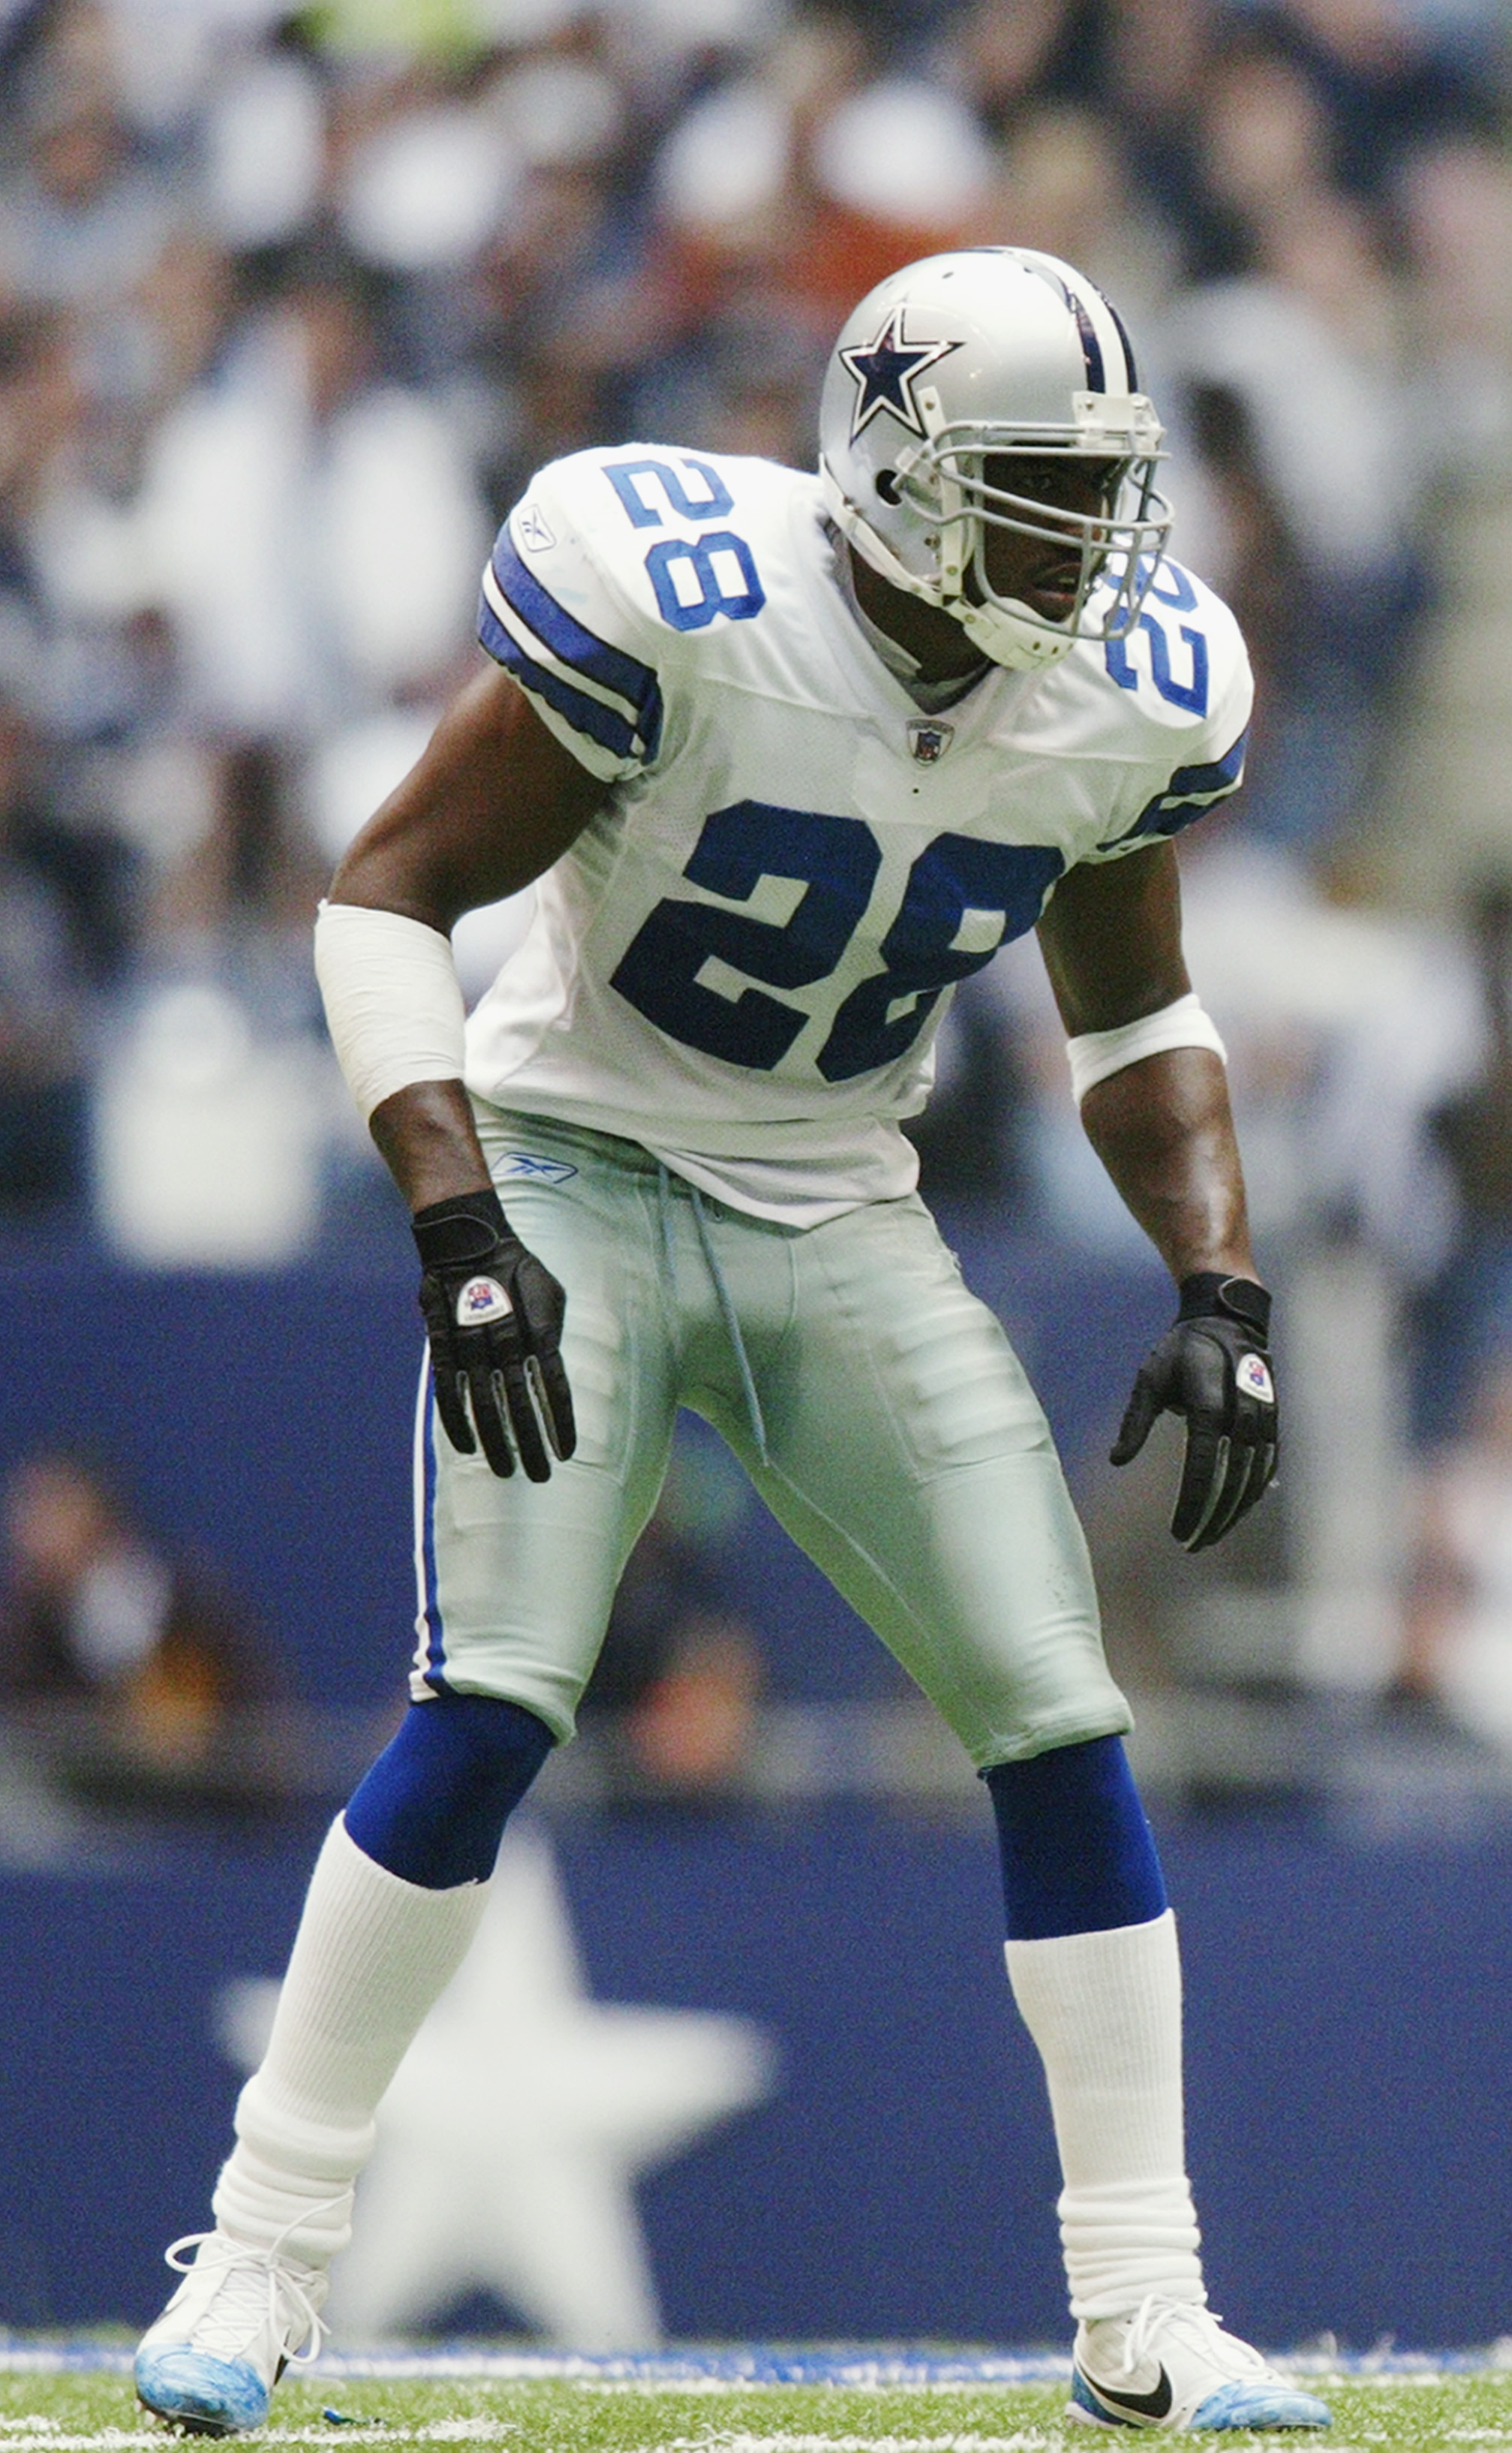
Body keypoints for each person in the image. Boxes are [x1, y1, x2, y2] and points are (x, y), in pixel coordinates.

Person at [134, 248, 1324, 2435]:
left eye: (1105, 486)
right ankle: (267, 2257)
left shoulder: (1122, 682)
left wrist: (1222, 1284)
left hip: (837, 1201)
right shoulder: (680, 588)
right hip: (574, 1163)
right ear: (898, 477)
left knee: (1061, 1710)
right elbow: (381, 891)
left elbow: (1137, 1008)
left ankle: (1145, 2303)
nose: (1100, 539)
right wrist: (459, 1219)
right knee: (488, 1700)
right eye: (1045, 487)